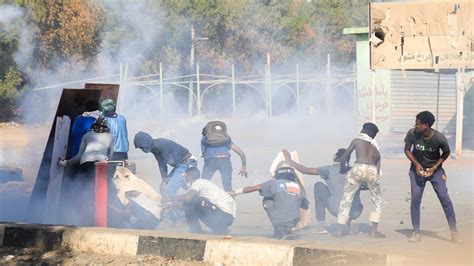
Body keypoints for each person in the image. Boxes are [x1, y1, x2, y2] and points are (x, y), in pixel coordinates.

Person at [404, 111, 462, 243]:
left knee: (444, 198)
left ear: (425, 125)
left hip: (435, 171)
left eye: (417, 123)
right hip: (416, 170)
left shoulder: (439, 138)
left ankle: (454, 232)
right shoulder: (412, 133)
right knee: (415, 199)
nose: (415, 125)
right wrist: (417, 164)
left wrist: (435, 167)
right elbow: (407, 149)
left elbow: (446, 152)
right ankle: (416, 232)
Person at [282, 148, 364, 234]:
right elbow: (365, 186)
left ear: (337, 158)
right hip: (356, 211)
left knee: (318, 186)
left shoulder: (329, 169)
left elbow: (305, 170)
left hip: (338, 210)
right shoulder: (355, 171)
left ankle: (321, 226)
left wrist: (289, 160)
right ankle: (352, 220)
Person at [230, 161, 308, 240]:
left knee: (267, 199)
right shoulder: (298, 187)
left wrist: (235, 192)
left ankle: (279, 229)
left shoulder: (273, 183)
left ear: (277, 173)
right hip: (294, 220)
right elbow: (305, 205)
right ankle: (287, 229)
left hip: (280, 219)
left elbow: (253, 188)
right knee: (293, 201)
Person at [59, 117, 114, 226]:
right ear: (106, 127)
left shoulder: (87, 135)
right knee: (99, 194)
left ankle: (82, 219)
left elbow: (78, 156)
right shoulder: (110, 137)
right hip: (101, 165)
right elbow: (110, 157)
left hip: (85, 164)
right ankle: (97, 220)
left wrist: (65, 163)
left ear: (94, 126)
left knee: (84, 192)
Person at [334, 122, 385, 238]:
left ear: (364, 131)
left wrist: (343, 165)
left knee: (346, 199)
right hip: (372, 169)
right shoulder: (375, 148)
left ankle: (339, 230)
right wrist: (372, 180)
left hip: (357, 168)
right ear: (373, 135)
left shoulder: (356, 141)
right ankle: (373, 231)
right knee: (376, 200)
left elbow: (345, 156)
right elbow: (378, 167)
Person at [163, 167, 235, 234]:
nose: (185, 179)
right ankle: (220, 230)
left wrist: (170, 198)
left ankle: (196, 232)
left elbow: (188, 198)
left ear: (189, 176)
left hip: (222, 216)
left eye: (185, 177)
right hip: (226, 218)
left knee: (193, 201)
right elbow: (188, 205)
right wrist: (171, 204)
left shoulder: (197, 183)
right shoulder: (204, 183)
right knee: (193, 203)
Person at [133, 131, 197, 198]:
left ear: (147, 142)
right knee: (163, 187)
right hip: (180, 165)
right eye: (140, 148)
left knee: (170, 189)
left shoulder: (161, 144)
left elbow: (168, 161)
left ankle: (176, 207)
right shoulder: (154, 149)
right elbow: (161, 164)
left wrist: (174, 180)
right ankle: (169, 205)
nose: (142, 149)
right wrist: (164, 179)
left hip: (188, 162)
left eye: (142, 147)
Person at [201, 121, 247, 192]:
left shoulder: (204, 140)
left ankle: (201, 202)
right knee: (227, 186)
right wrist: (244, 166)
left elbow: (204, 154)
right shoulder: (225, 140)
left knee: (203, 184)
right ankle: (231, 202)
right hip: (225, 160)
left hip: (211, 161)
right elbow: (241, 153)